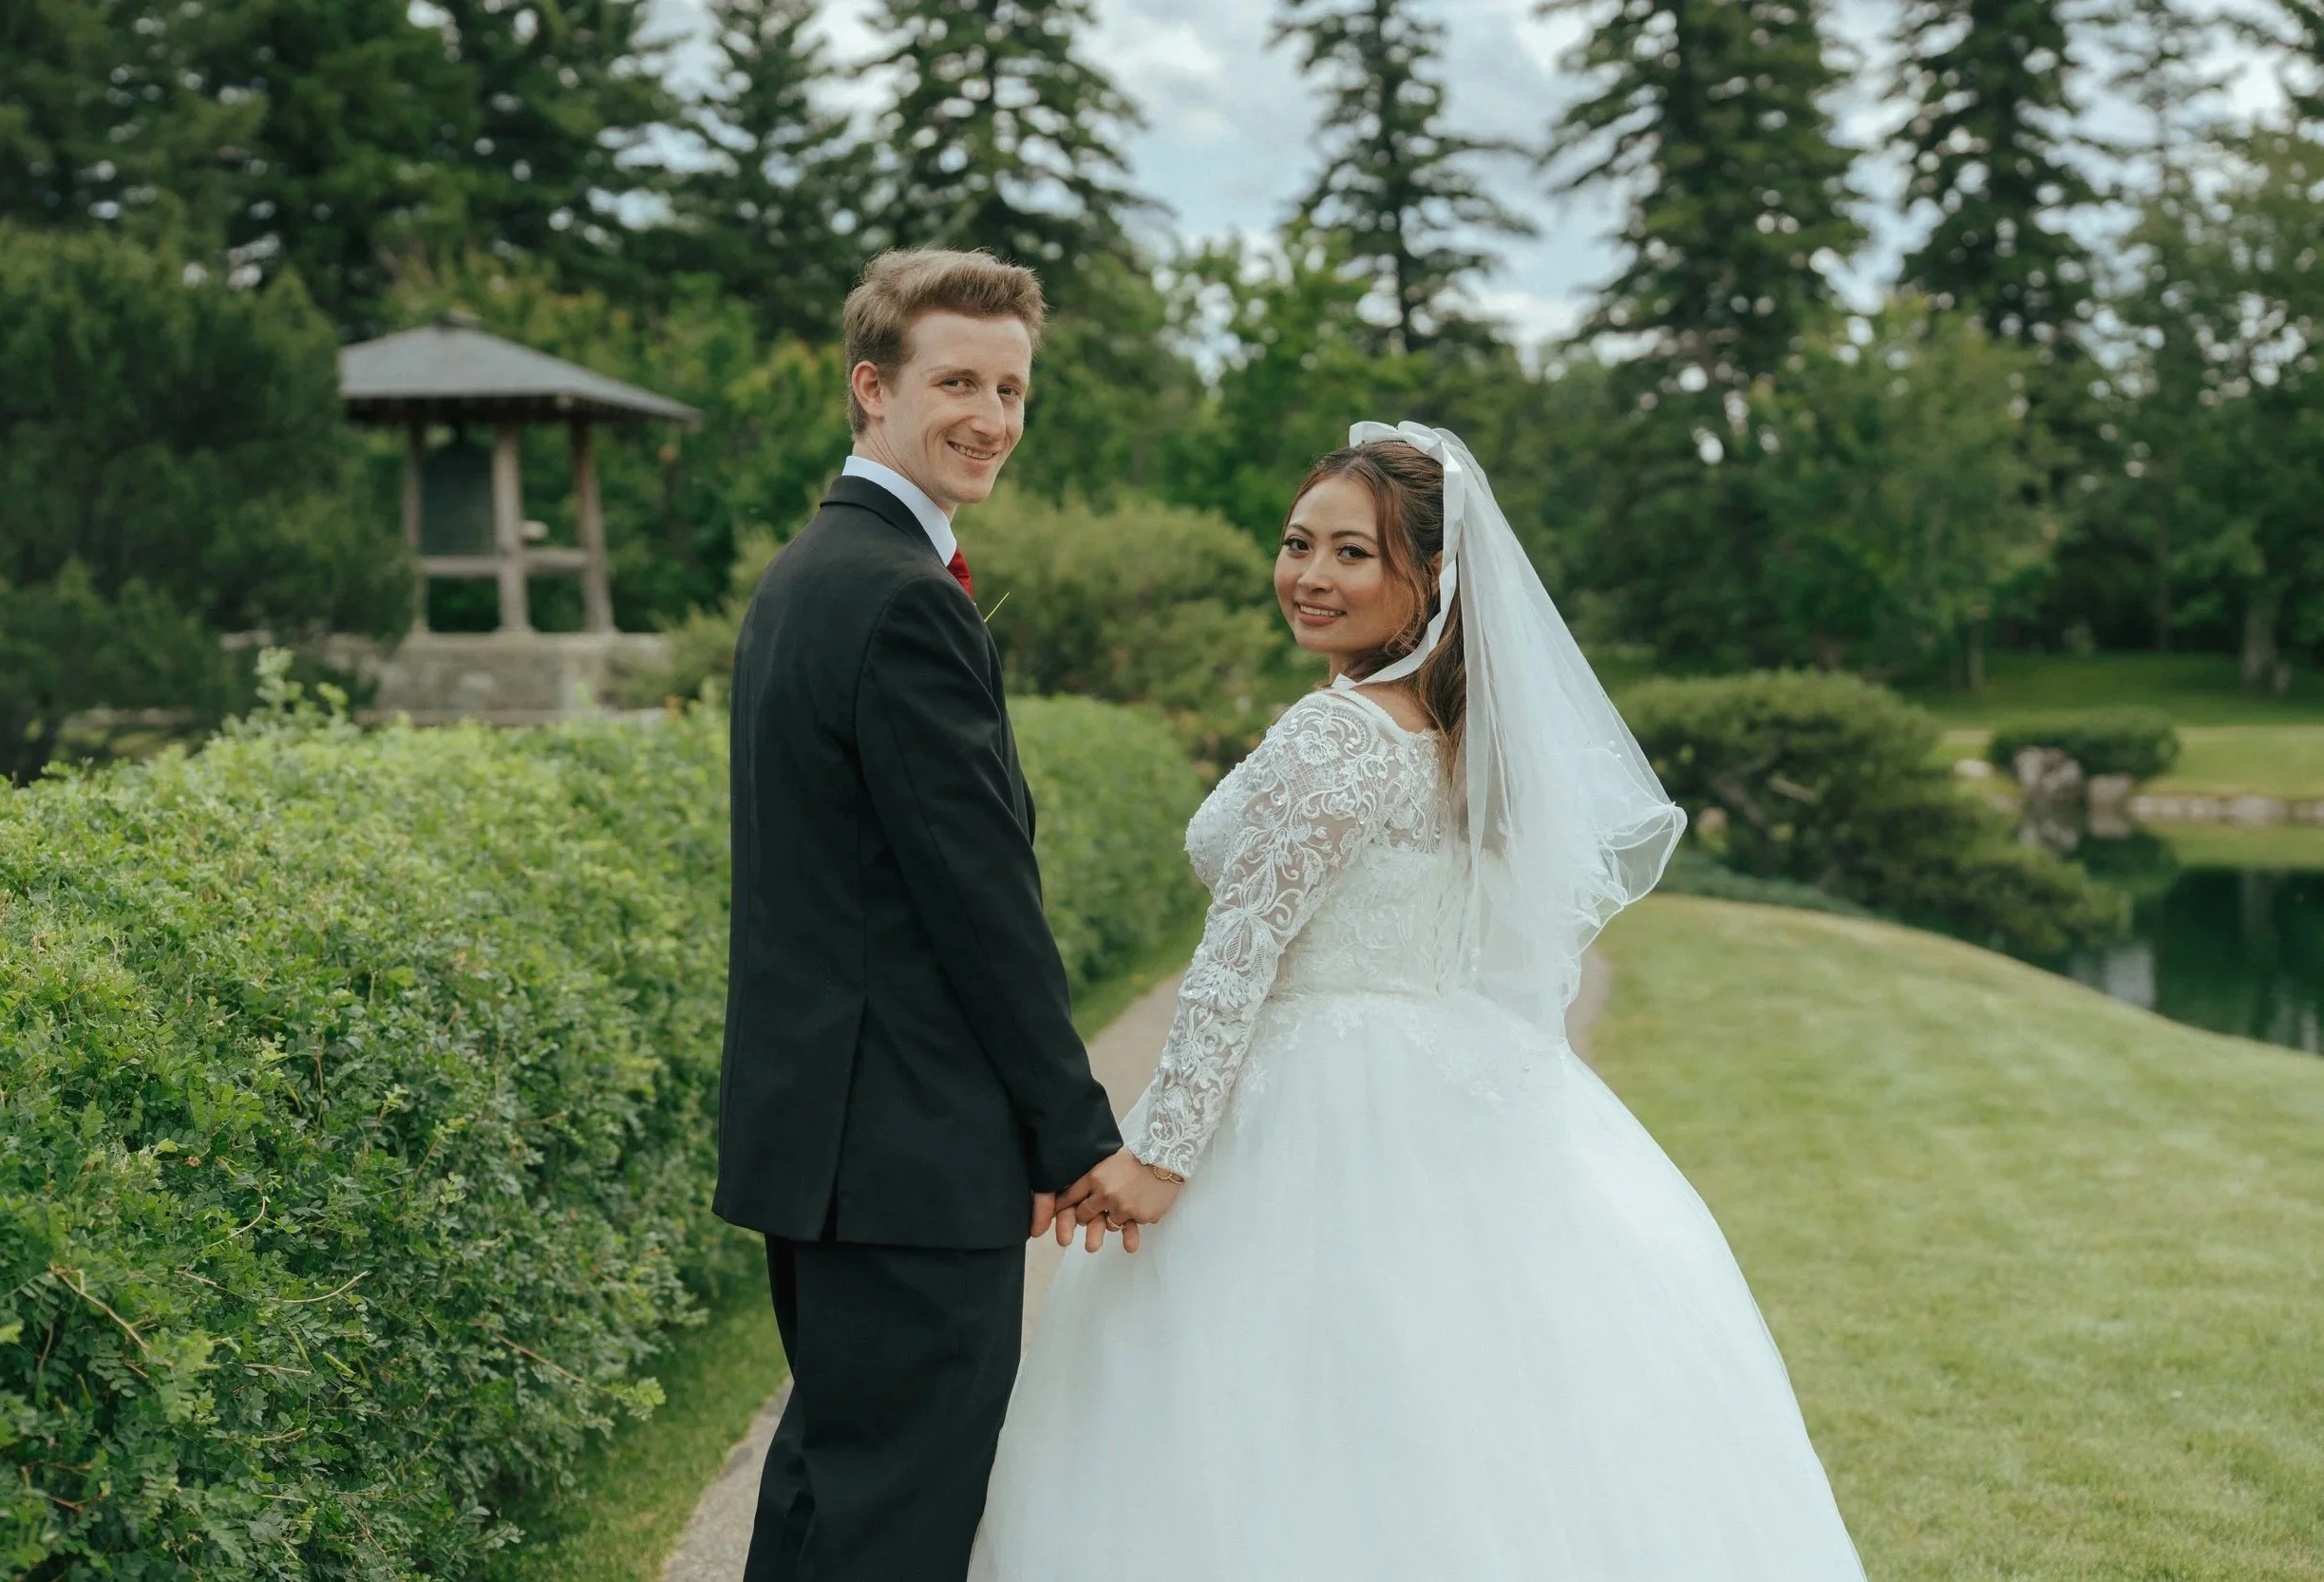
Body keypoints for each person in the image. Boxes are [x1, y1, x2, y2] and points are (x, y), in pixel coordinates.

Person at [974, 424, 1872, 1580]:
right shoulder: (1454, 730)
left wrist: (1162, 1151)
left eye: (1354, 553)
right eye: (1299, 543)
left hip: (1305, 1097)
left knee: (1276, 1404)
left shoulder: (1338, 733)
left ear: (1429, 580)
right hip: (1445, 1078)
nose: (1310, 574)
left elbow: (1239, 950)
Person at [713, 248, 1157, 1582]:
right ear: (873, 389)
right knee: (897, 1517)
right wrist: (1072, 1126)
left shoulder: (812, 571)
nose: (992, 417)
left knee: (831, 1484)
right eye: (957, 379)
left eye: (1012, 388)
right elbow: (977, 903)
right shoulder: (903, 597)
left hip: (833, 1132)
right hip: (906, 1145)